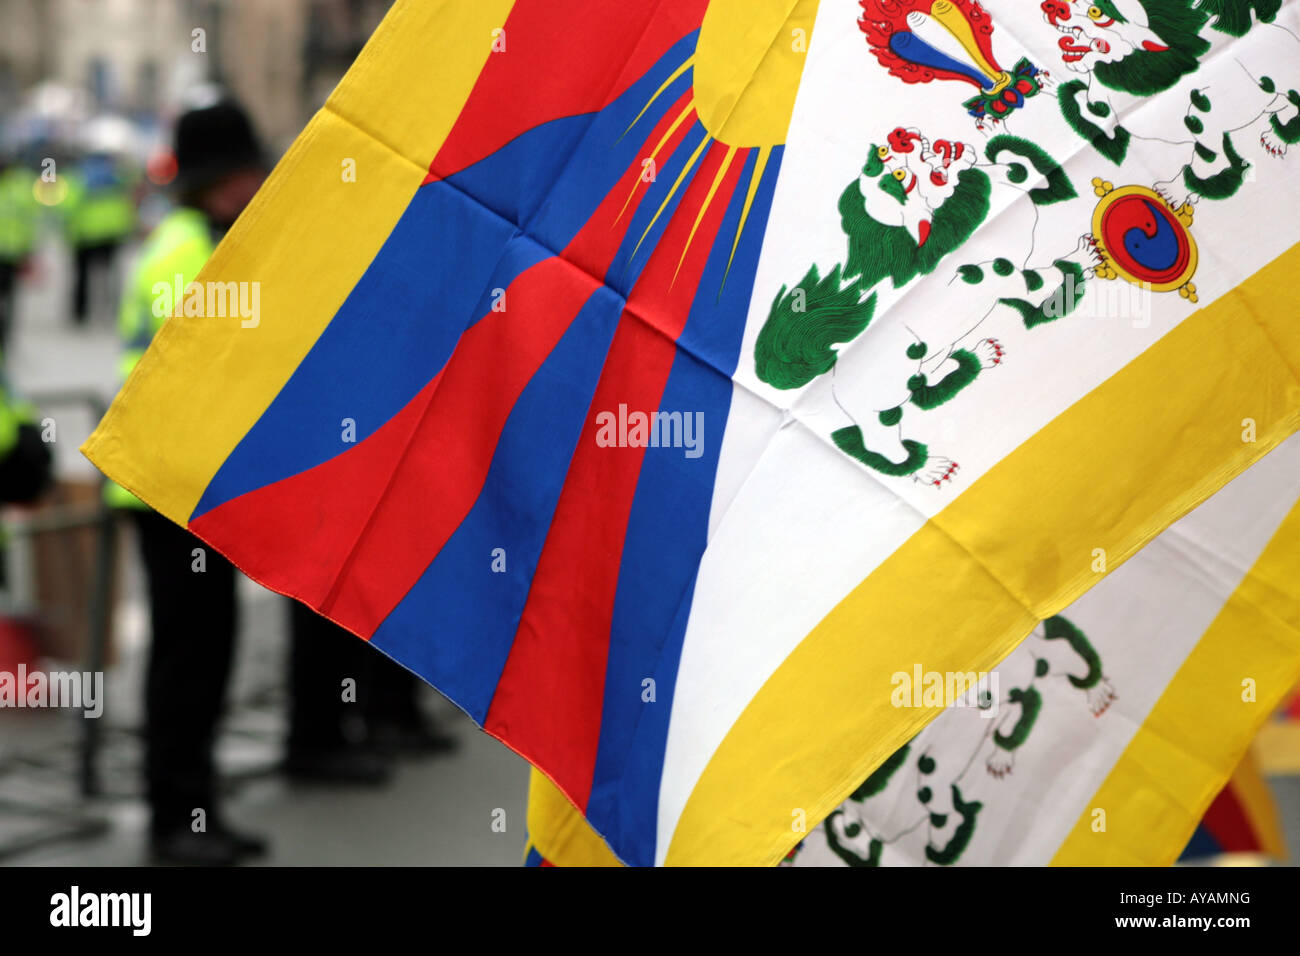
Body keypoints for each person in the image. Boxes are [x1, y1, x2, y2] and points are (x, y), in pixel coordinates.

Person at [62, 152, 136, 327]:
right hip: (112, 231)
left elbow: (68, 205)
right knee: (111, 274)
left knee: (82, 276)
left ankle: (80, 313)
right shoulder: (116, 175)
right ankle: (113, 311)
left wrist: (67, 228)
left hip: (84, 233)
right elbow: (130, 197)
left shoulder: (78, 176)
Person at [0, 157, 39, 350]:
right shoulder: (20, 189)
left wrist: (29, 252)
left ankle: (5, 341)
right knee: (8, 301)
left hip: (11, 256)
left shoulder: (19, 189)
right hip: (12, 254)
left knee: (8, 301)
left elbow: (29, 223)